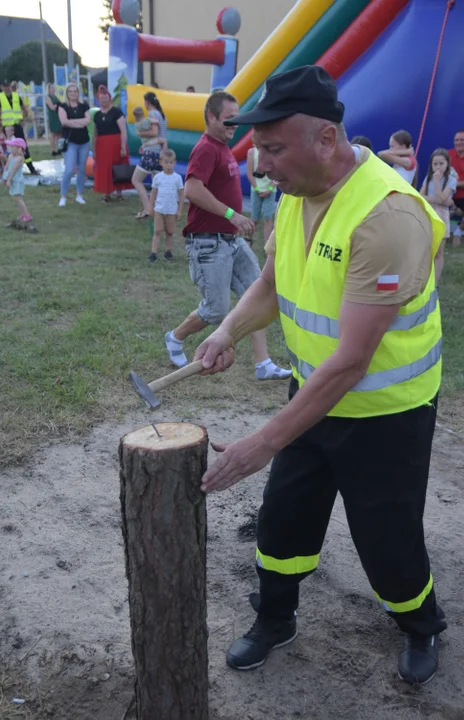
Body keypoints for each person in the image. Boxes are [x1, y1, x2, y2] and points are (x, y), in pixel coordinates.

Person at [194, 66, 447, 686]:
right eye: (259, 149)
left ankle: (422, 625)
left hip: (385, 415)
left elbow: (353, 360)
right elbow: (274, 285)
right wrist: (227, 330)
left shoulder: (388, 218)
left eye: (274, 149)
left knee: (387, 538)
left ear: (327, 139)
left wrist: (264, 441)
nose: (261, 165)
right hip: (314, 397)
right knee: (284, 518)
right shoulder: (295, 193)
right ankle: (275, 619)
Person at [164, 90, 292, 382]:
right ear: (211, 116)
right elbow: (194, 190)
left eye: (237, 121)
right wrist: (232, 215)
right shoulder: (207, 148)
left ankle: (263, 364)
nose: (234, 127)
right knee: (216, 309)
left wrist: (235, 222)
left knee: (256, 295)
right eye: (228, 120)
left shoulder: (222, 147)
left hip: (230, 241)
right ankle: (175, 336)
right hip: (208, 243)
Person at [420, 149, 457, 281]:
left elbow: (441, 198)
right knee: (427, 249)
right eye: (435, 164)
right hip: (428, 214)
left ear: (447, 164)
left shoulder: (451, 180)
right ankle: (424, 279)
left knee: (439, 251)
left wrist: (436, 183)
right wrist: (442, 200)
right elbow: (421, 196)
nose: (437, 167)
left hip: (441, 216)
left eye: (441, 163)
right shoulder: (427, 178)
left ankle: (435, 282)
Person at [132, 91, 168, 219]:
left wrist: (140, 134)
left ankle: (148, 209)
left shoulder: (152, 114)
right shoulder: (162, 115)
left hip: (152, 151)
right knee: (156, 184)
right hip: (159, 152)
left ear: (147, 102)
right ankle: (158, 210)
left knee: (136, 180)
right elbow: (162, 135)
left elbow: (154, 132)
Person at [93, 85, 131, 203]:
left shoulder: (116, 112)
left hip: (115, 143)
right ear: (99, 100)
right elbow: (95, 133)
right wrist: (94, 149)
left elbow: (123, 130)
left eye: (105, 97)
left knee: (117, 167)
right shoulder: (97, 115)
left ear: (109, 98)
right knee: (104, 169)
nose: (103, 100)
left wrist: (122, 147)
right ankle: (106, 193)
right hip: (102, 145)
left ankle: (119, 193)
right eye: (101, 98)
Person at [148, 148, 184, 263]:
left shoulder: (177, 178)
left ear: (174, 163)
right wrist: (151, 207)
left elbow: (182, 195)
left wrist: (179, 210)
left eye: (171, 162)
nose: (169, 165)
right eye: (166, 162)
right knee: (157, 231)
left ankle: (168, 252)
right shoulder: (158, 177)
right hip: (159, 209)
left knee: (170, 232)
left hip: (171, 210)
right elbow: (153, 193)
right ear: (161, 162)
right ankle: (153, 253)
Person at [58, 83, 91, 207]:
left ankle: (79, 195)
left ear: (78, 93)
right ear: (67, 93)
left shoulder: (84, 106)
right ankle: (63, 196)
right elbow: (64, 122)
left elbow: (87, 121)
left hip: (84, 141)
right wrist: (79, 123)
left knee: (82, 169)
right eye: (70, 91)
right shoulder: (63, 106)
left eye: (75, 91)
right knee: (69, 169)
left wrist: (72, 122)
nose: (73, 93)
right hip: (70, 141)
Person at [0, 80, 39, 175]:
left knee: (23, 146)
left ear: (10, 86)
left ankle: (31, 167)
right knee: (9, 148)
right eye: (4, 86)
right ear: (2, 87)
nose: (6, 88)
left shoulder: (16, 96)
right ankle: (10, 168)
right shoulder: (0, 97)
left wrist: (24, 118)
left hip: (16, 125)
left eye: (8, 86)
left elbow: (24, 109)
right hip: (7, 126)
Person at [246, 145, 277, 245]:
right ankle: (248, 239)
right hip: (256, 190)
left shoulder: (273, 152)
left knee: (268, 218)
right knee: (254, 218)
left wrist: (270, 189)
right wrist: (256, 189)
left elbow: (276, 175)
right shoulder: (251, 152)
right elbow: (249, 174)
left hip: (270, 191)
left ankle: (267, 246)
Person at [2, 137, 32, 222]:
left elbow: (13, 170)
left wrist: (8, 180)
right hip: (12, 180)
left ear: (19, 148)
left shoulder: (19, 159)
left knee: (19, 198)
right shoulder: (11, 156)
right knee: (16, 198)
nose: (11, 149)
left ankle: (27, 215)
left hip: (17, 180)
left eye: (13, 147)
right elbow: (7, 167)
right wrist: (4, 177)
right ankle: (22, 214)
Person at [448, 130, 464, 242]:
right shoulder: (448, 155)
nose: (459, 142)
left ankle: (459, 230)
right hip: (449, 194)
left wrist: (455, 184)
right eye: (456, 140)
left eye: (462, 140)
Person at [45, 83, 62, 156]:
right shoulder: (48, 97)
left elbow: (60, 104)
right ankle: (53, 150)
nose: (53, 89)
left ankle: (59, 148)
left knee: (59, 134)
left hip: (58, 116)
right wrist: (57, 106)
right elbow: (52, 107)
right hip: (53, 116)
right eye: (51, 88)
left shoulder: (55, 97)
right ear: (48, 89)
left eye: (54, 88)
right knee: (53, 134)